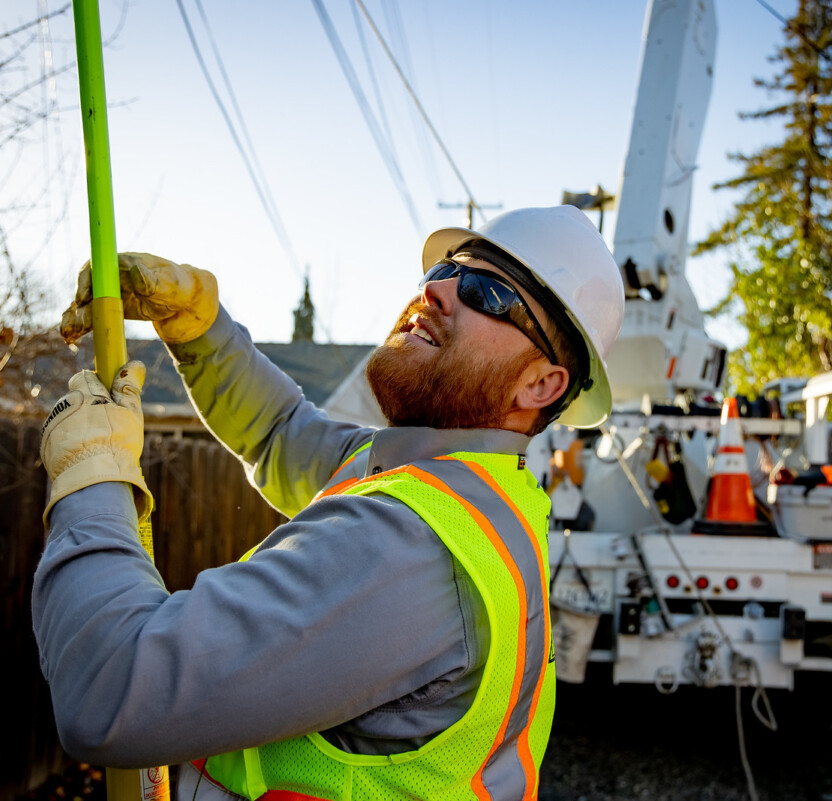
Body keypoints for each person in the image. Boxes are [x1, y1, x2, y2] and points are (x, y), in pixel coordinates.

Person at [33, 205, 625, 800]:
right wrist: (202, 330)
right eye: (446, 268)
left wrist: (91, 481)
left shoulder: (409, 542)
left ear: (541, 385)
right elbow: (283, 432)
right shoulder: (472, 489)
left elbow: (110, 690)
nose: (438, 290)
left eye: (487, 291)